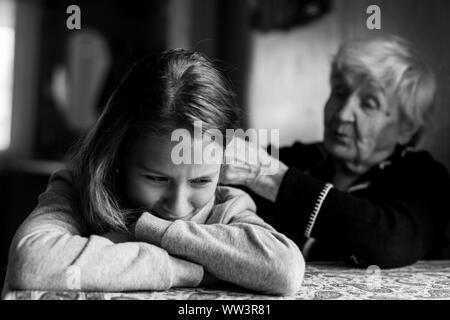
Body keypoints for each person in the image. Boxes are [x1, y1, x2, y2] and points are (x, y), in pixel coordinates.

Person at [3, 49, 304, 295]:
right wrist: (187, 269)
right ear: (118, 156)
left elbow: (285, 270)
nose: (178, 205)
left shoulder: (227, 207)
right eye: (157, 178)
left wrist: (149, 230)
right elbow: (32, 263)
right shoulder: (77, 190)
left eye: (201, 180)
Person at [221, 36, 450, 268]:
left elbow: (390, 242)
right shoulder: (307, 158)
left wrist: (267, 176)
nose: (342, 114)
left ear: (406, 128)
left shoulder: (424, 177)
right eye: (340, 93)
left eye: (369, 104)